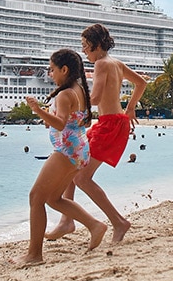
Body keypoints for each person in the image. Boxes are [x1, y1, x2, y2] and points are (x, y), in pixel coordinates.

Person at [46, 24, 147, 244]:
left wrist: (69, 101)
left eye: (85, 46)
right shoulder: (116, 63)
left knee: (81, 176)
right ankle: (66, 220)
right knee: (72, 162)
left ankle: (118, 222)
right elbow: (141, 83)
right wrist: (130, 108)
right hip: (112, 122)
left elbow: (96, 98)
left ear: (97, 44)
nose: (83, 51)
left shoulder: (101, 63)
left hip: (110, 125)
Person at [14, 49, 107, 266]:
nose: (50, 74)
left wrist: (37, 109)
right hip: (79, 149)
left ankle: (34, 254)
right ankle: (94, 225)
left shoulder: (65, 94)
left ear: (64, 70)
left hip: (67, 151)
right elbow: (73, 121)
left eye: (52, 70)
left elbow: (61, 123)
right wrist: (51, 116)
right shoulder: (79, 89)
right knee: (53, 198)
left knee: (36, 197)